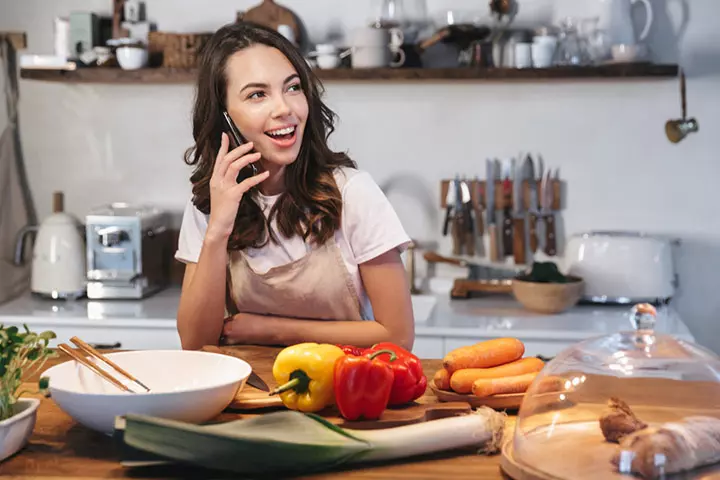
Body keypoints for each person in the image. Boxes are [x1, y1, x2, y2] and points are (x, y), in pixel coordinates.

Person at [174, 22, 415, 352]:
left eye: (292, 88)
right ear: (224, 116)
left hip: (345, 394)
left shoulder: (353, 194)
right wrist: (218, 229)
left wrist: (270, 330)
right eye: (258, 95)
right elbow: (195, 343)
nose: (285, 109)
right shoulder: (209, 202)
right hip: (248, 397)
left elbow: (398, 336)